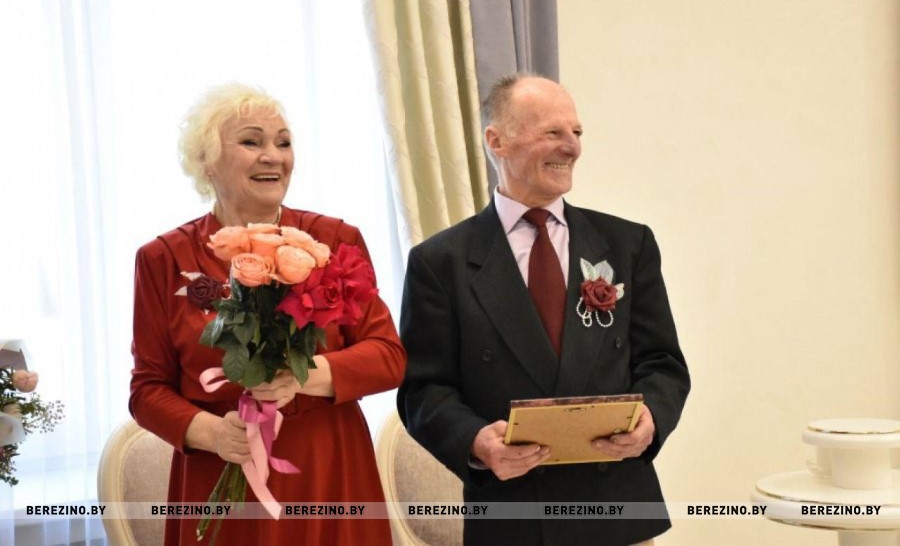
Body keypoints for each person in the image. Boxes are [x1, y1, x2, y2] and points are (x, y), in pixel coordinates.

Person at [398, 74, 690, 546]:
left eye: (577, 132)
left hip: (617, 512)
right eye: (553, 132)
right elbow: (423, 390)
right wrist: (476, 441)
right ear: (496, 140)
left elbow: (663, 363)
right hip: (512, 514)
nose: (571, 147)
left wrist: (651, 419)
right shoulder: (440, 262)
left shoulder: (628, 244)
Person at [129, 83, 406, 545]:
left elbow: (388, 357)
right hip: (222, 472)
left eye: (283, 142)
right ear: (207, 161)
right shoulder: (162, 259)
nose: (273, 156)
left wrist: (303, 375)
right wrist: (213, 434)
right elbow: (147, 390)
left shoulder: (335, 240)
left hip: (328, 468)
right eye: (251, 141)